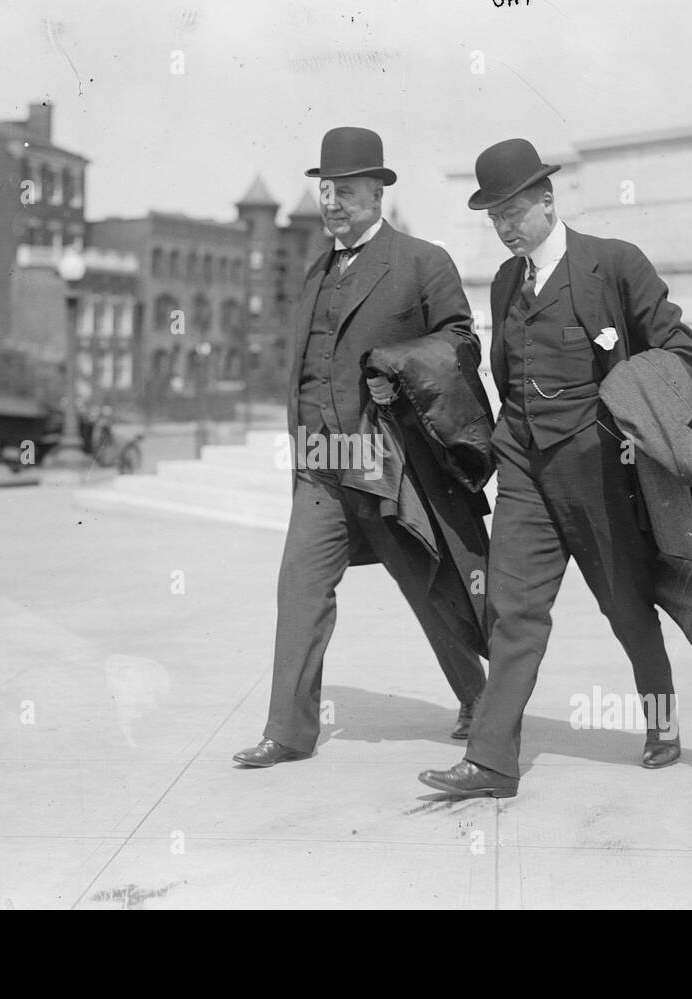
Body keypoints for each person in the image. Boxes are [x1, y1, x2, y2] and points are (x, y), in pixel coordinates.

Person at [418, 138, 692, 799]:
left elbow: (678, 348)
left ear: (547, 200)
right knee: (512, 609)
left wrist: (624, 398)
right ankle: (492, 762)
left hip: (600, 469)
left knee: (626, 607)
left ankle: (661, 722)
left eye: (514, 210)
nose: (505, 225)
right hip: (524, 468)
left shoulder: (614, 264)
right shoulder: (509, 282)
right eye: (494, 215)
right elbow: (510, 378)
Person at [234, 127, 491, 768]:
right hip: (321, 464)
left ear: (378, 194)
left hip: (387, 463)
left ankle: (479, 698)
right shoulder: (317, 268)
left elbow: (462, 341)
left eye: (346, 192)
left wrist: (400, 365)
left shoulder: (421, 261)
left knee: (425, 580)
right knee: (299, 585)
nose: (332, 203)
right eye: (326, 191)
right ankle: (289, 733)